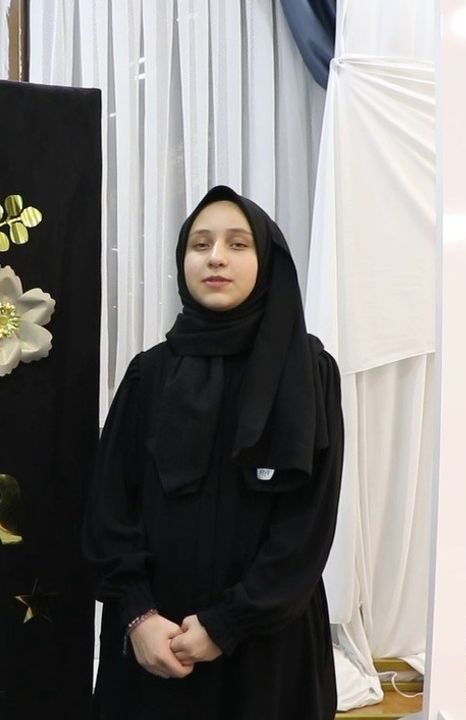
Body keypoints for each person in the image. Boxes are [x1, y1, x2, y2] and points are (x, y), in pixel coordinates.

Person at [83, 186, 342, 718]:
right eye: (200, 244)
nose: (216, 257)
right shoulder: (149, 374)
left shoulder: (308, 373)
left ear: (268, 262)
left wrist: (228, 624)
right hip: (156, 644)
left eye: (238, 244)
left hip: (268, 647)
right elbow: (109, 509)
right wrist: (138, 617)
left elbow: (307, 527)